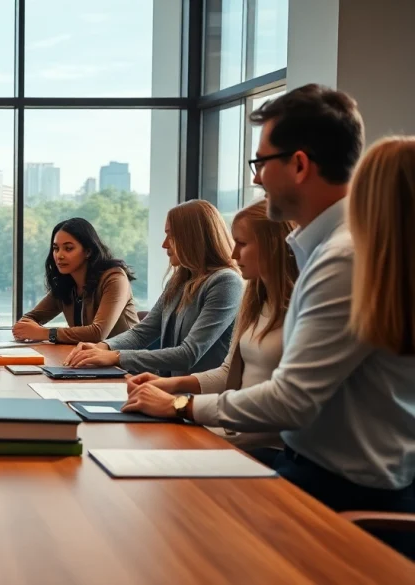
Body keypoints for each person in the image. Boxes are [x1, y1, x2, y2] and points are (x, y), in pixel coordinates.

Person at [123, 85, 414, 559]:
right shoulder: (332, 251)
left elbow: (290, 401)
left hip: (339, 492)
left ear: (299, 165)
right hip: (322, 475)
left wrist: (179, 406)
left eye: (261, 163)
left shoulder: (342, 259)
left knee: (175, 541)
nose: (256, 178)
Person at [124, 200, 297, 459]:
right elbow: (228, 371)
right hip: (226, 428)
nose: (234, 253)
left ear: (273, 246)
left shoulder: (236, 285)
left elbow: (280, 400)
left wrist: (178, 404)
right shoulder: (254, 296)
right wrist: (169, 384)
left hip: (258, 444)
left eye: (242, 244)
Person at [64, 200, 243, 376]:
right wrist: (102, 347)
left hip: (200, 398)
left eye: (171, 236)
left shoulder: (226, 283)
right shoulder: (179, 280)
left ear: (193, 238)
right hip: (168, 391)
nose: (164, 244)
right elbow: (143, 332)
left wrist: (115, 356)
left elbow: (188, 354)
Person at [13, 217, 138, 344]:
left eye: (68, 249)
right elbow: (28, 320)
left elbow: (98, 333)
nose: (59, 256)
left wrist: (44, 333)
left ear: (88, 251)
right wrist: (27, 329)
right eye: (56, 249)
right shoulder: (66, 283)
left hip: (124, 359)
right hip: (87, 358)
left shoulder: (114, 279)